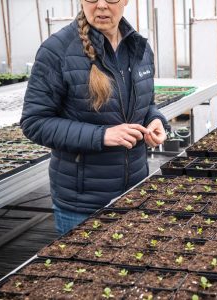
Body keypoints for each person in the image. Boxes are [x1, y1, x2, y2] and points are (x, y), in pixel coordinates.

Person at [20, 0, 168, 236]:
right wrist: (102, 135)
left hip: (136, 193)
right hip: (83, 204)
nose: (100, 6)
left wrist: (156, 120)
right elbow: (35, 122)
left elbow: (147, 104)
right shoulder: (57, 50)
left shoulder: (138, 48)